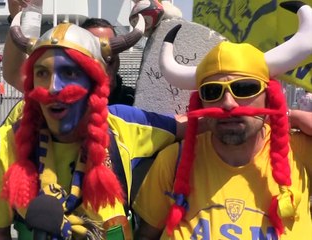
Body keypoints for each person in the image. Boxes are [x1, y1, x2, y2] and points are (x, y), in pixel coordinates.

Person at [0, 14, 191, 239]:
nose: (53, 87)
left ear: (94, 83)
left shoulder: (124, 124)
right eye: (42, 73)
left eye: (69, 72)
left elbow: (193, 126)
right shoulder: (3, 144)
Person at [133, 2, 312, 239]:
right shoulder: (172, 162)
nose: (228, 103)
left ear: (269, 96)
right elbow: (146, 235)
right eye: (212, 92)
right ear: (201, 103)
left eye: (245, 88)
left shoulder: (300, 151)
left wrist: (294, 116)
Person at [3, 0, 136, 106]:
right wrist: (20, 16)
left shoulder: (135, 101)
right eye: (91, 52)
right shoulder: (59, 96)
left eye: (109, 51)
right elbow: (15, 73)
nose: (104, 57)